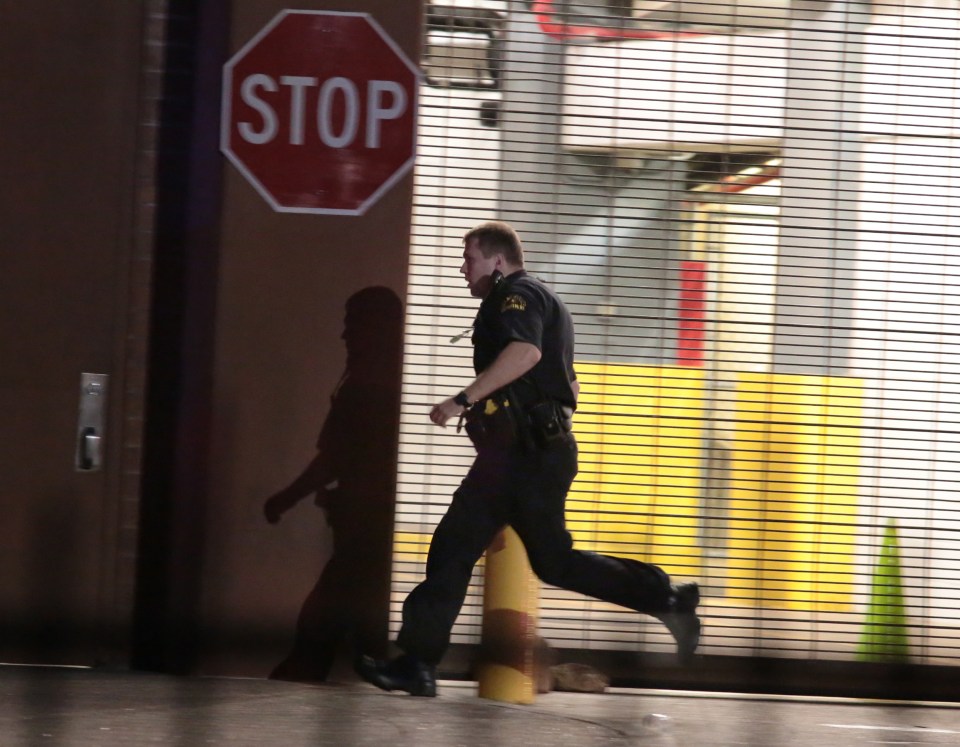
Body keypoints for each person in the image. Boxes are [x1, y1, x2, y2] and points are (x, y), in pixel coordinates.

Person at [357, 221, 701, 697]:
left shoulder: (515, 296)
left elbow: (526, 352)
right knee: (475, 549)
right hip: (523, 454)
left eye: (469, 258)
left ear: (497, 261)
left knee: (531, 558)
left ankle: (667, 596)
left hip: (527, 456)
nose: (463, 268)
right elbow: (570, 384)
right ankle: (417, 663)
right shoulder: (545, 300)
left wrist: (463, 398)